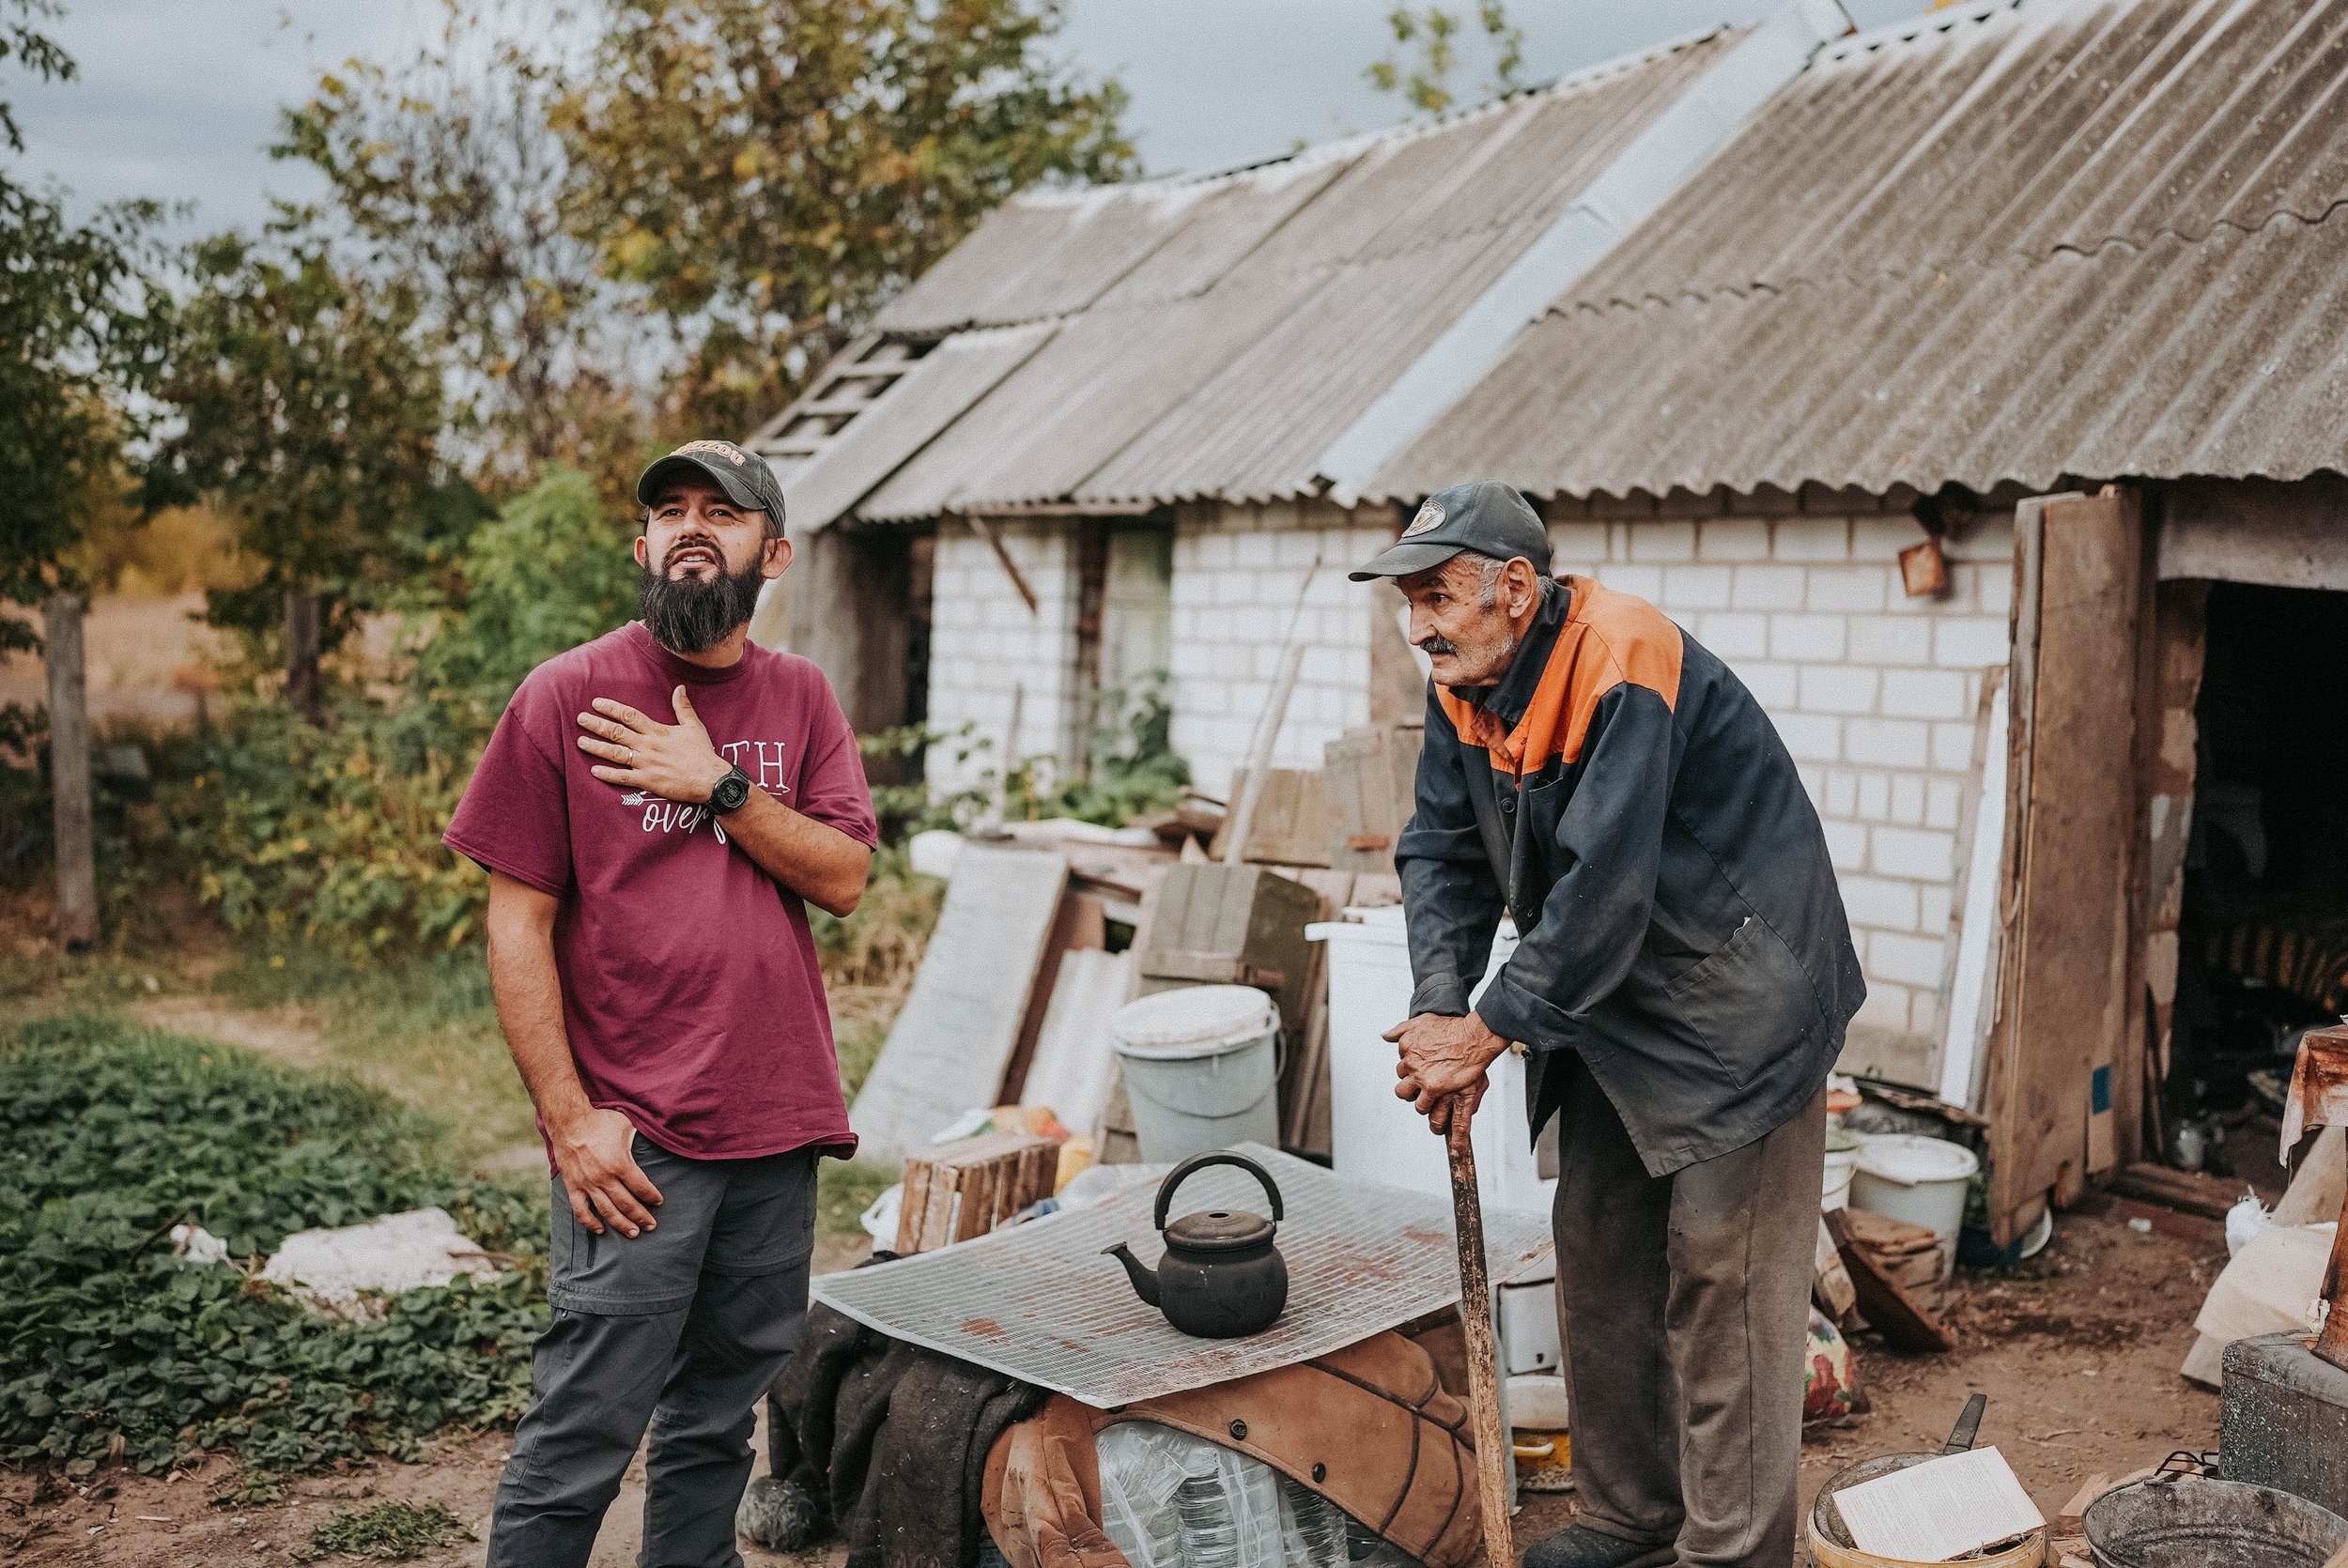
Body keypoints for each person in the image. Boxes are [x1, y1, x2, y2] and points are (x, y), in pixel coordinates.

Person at [1355, 480, 1863, 1568]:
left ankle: (1728, 1551)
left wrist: (1487, 1028)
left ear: (1516, 588)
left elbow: (1605, 889)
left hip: (1739, 998)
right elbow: (1441, 853)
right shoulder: (1467, 687)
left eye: (1436, 595)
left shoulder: (1622, 657)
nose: (1420, 626)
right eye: (1409, 602)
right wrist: (1441, 1009)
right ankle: (1632, 1514)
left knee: (1718, 1281)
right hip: (1613, 1001)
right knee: (1597, 1244)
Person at [443, 438, 877, 1568]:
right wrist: (569, 1117)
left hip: (777, 1122)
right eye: (669, 510)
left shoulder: (801, 695)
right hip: (637, 1133)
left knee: (714, 1419)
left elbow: (841, 876)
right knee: (585, 1425)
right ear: (641, 545)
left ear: (770, 552)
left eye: (722, 513)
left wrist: (718, 783)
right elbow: (516, 920)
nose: (692, 526)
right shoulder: (565, 694)